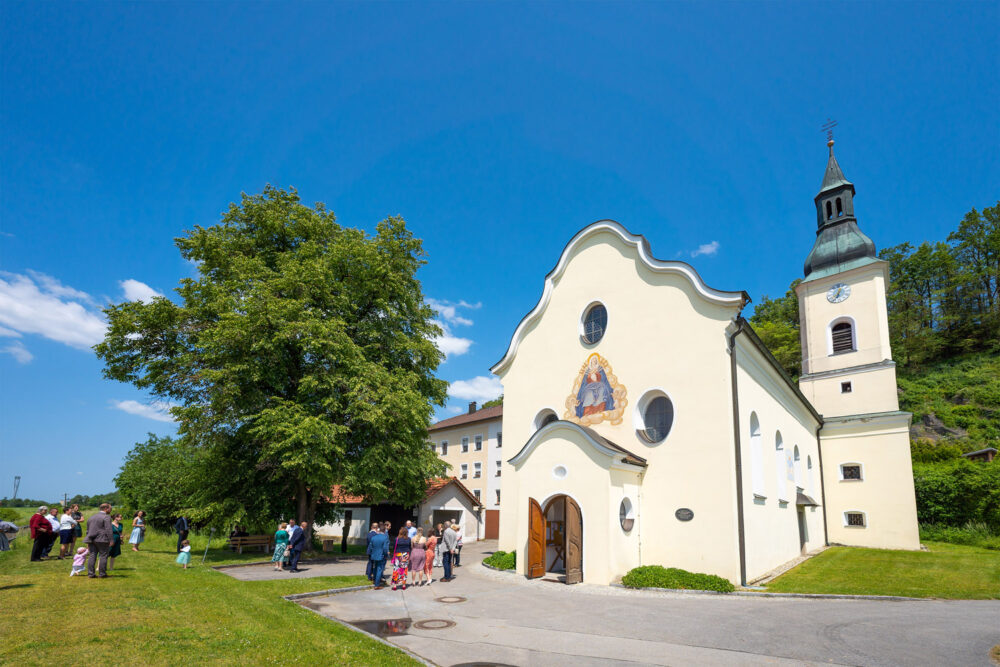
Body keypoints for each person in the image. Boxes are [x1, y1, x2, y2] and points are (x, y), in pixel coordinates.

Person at [85, 503, 113, 578]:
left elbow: (88, 530)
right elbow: (109, 530)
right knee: (103, 555)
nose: (111, 510)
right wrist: (111, 540)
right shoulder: (106, 517)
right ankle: (102, 574)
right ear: (106, 509)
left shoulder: (91, 517)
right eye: (110, 508)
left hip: (91, 538)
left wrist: (88, 538)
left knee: (92, 555)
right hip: (102, 539)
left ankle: (91, 574)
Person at [366, 524, 390, 590]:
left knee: (375, 568)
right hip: (381, 555)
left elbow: (370, 547)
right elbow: (385, 548)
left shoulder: (374, 537)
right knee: (379, 569)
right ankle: (376, 585)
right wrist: (386, 555)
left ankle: (374, 580)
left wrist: (372, 553)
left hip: (374, 555)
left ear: (379, 530)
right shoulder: (385, 538)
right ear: (384, 531)